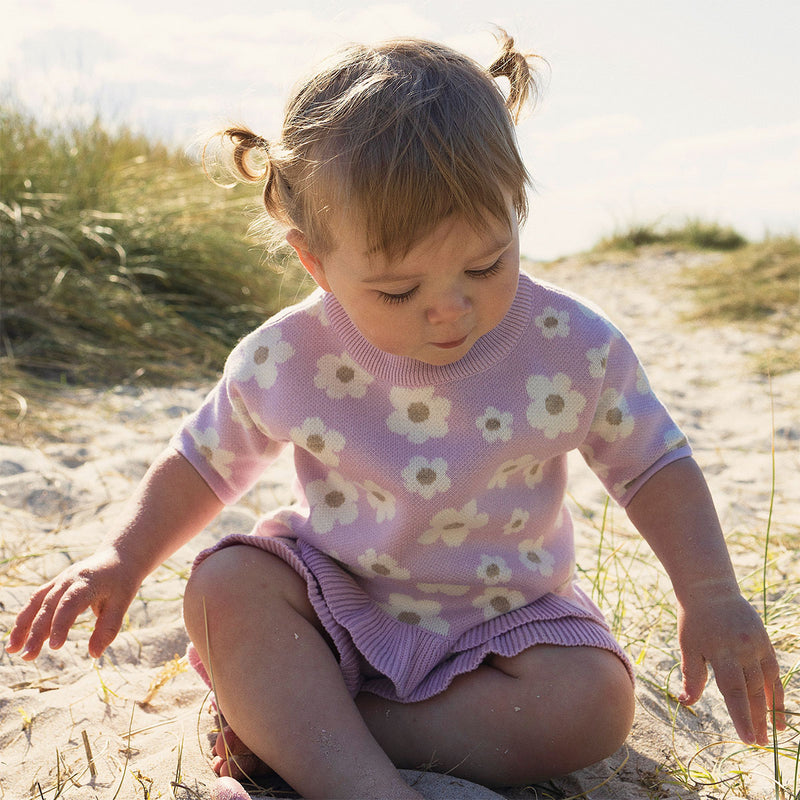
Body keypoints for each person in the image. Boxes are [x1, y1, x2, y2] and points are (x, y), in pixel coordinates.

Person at [7, 30, 784, 800]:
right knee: (227, 584)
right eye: (396, 291)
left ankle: (313, 734)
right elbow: (203, 462)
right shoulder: (290, 354)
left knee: (595, 706)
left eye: (486, 264)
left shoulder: (571, 346)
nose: (449, 310)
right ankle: (356, 777)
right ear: (314, 259)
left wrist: (710, 592)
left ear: (515, 209)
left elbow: (652, 465)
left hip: (504, 625)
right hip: (333, 602)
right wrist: (123, 556)